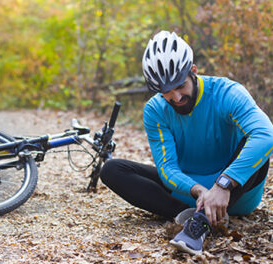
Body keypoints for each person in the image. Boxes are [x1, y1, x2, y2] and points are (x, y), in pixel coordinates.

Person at [100, 30, 273, 255]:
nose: (176, 98)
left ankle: (200, 222)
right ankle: (190, 215)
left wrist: (222, 185)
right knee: (113, 169)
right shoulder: (155, 110)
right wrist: (198, 190)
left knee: (257, 148)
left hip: (234, 191)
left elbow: (266, 133)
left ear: (193, 71)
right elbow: (167, 168)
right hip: (191, 193)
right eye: (166, 92)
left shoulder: (228, 93)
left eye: (180, 85)